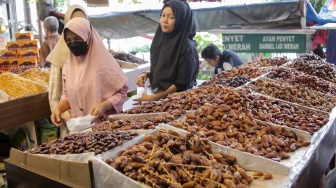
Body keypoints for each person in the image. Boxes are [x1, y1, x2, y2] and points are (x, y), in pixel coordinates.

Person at [50, 17, 128, 127]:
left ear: (88, 37)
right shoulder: (68, 66)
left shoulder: (105, 63)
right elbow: (67, 95)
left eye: (77, 39)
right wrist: (58, 109)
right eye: (69, 41)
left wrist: (104, 105)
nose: (73, 43)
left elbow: (121, 92)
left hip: (105, 127)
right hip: (81, 128)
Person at [135, 0, 199, 101]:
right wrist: (147, 74)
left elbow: (181, 83)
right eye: (163, 15)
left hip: (178, 102)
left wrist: (153, 98)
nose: (164, 20)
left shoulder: (187, 47)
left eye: (171, 17)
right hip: (161, 98)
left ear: (181, 20)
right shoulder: (160, 40)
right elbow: (167, 70)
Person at [46, 5, 89, 135]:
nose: (78, 25)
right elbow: (55, 93)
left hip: (97, 122)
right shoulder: (59, 56)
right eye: (73, 22)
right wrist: (62, 112)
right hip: (72, 122)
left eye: (82, 21)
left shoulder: (96, 51)